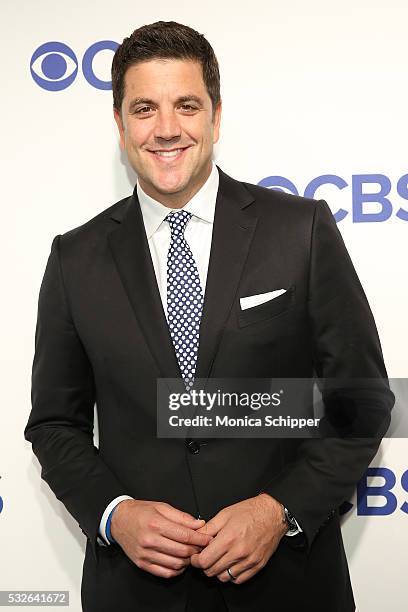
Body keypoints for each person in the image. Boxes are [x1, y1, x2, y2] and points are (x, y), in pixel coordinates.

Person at [25, 21, 393, 612]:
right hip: (136, 593)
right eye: (144, 108)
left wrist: (279, 510)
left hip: (287, 586)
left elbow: (364, 400)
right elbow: (53, 425)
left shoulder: (300, 231)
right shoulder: (75, 258)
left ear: (216, 118)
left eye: (186, 105)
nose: (166, 128)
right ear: (120, 126)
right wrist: (115, 515)